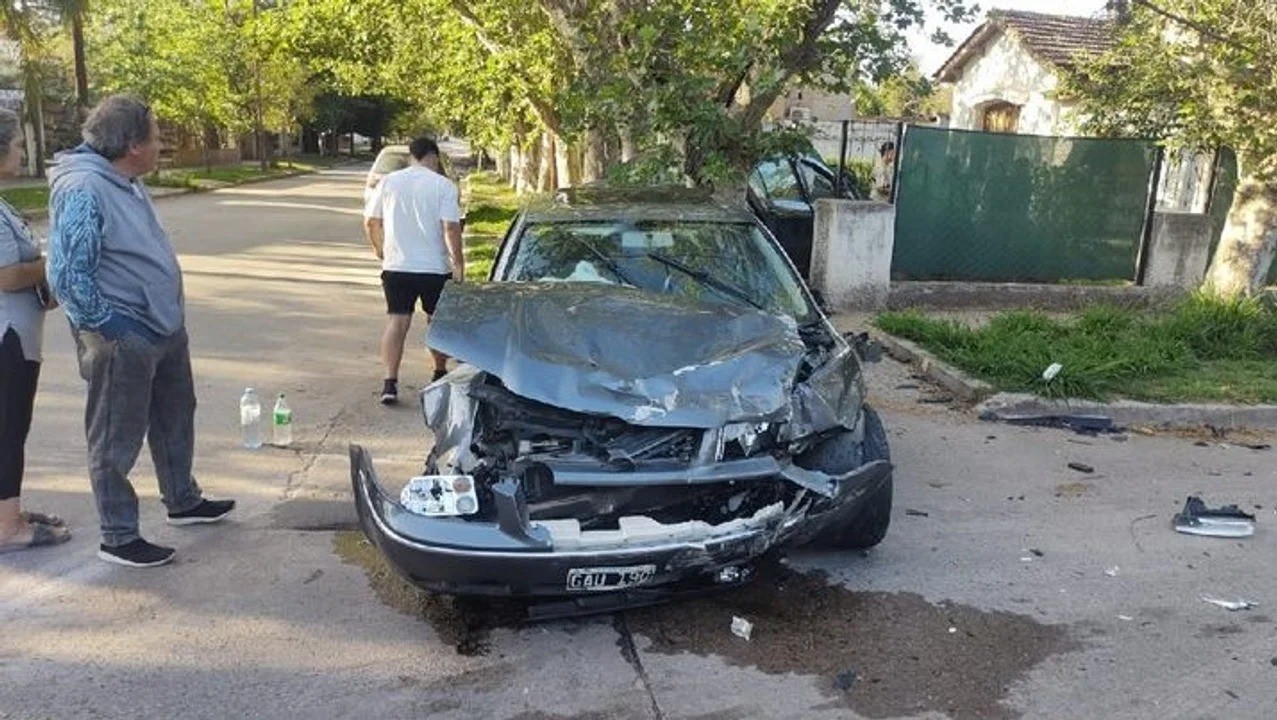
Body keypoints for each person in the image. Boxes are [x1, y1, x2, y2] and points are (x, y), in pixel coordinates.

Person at [46, 95, 235, 568]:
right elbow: (68, 276)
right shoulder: (84, 187)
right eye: (155, 138)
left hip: (161, 326)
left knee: (175, 415)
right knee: (115, 435)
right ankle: (118, 534)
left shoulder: (121, 177)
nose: (161, 146)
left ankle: (183, 499)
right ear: (131, 146)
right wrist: (117, 330)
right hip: (123, 334)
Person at [0, 107, 71, 553]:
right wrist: (55, 264)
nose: (23, 153)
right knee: (8, 429)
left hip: (18, 334)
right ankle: (7, 529)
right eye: (19, 144)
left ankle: (8, 512)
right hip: (7, 336)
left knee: (11, 427)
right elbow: (6, 275)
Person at [363, 136, 464, 405]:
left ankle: (389, 382)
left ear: (411, 156)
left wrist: (379, 249)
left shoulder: (388, 182)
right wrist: (459, 263)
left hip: (397, 266)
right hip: (433, 267)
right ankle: (439, 373)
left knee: (398, 322)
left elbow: (372, 221)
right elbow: (451, 228)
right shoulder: (443, 186)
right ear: (433, 156)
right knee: (435, 320)